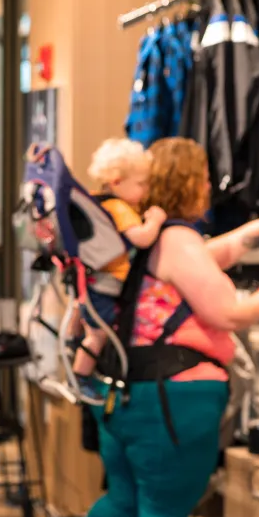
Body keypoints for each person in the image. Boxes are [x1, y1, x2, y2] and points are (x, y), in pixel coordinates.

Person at [71, 137, 259, 517]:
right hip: (173, 398)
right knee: (165, 511)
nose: (208, 185)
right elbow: (228, 312)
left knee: (122, 501)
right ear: (190, 183)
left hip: (123, 393)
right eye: (202, 178)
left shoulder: (144, 234)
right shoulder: (177, 240)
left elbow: (204, 255)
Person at [71, 138, 168, 384]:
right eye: (141, 184)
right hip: (107, 282)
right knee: (98, 335)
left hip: (91, 279)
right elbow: (142, 238)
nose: (145, 191)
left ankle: (73, 341)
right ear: (116, 181)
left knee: (89, 322)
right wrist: (155, 220)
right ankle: (81, 378)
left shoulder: (96, 200)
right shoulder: (119, 207)